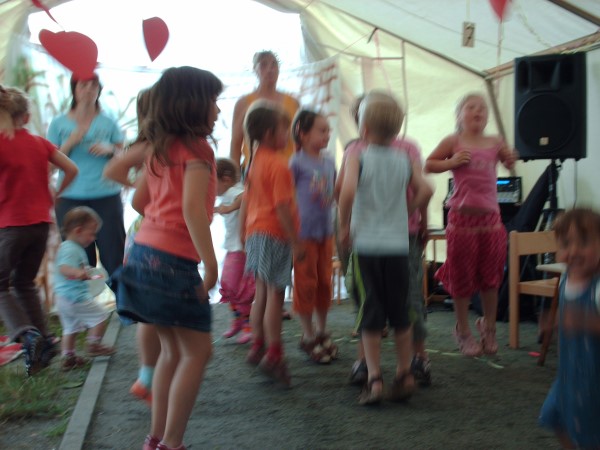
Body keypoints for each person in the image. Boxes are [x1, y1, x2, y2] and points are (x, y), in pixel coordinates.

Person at [117, 66, 222, 450]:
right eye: (213, 101)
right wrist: (211, 266)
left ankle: (156, 438)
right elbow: (193, 210)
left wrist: (162, 210)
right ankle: (172, 443)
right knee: (197, 351)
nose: (217, 110)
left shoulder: (159, 147)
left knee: (171, 352)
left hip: (142, 255)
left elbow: (138, 201)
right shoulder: (199, 150)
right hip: (173, 263)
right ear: (192, 104)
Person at [338, 91, 432, 405]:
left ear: (363, 129)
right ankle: (404, 374)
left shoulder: (357, 156)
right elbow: (426, 189)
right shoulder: (405, 159)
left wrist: (344, 225)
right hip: (397, 248)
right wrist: (407, 211)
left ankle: (375, 379)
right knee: (401, 312)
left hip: (367, 247)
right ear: (396, 131)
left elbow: (347, 192)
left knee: (371, 313)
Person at [424, 92, 517, 357]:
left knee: (491, 277)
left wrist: (510, 158)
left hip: (490, 220)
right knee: (462, 277)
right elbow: (428, 164)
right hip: (461, 220)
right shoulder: (453, 141)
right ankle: (463, 330)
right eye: (471, 107)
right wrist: (451, 162)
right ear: (459, 115)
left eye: (482, 108)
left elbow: (509, 163)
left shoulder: (495, 141)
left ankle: (489, 326)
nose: (478, 111)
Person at [0, 85, 78, 376]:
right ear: (26, 116)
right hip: (40, 225)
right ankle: (45, 341)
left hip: (10, 227)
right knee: (24, 282)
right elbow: (72, 169)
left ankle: (27, 334)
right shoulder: (39, 143)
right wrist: (56, 193)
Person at [231, 50, 300, 321]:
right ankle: (266, 304)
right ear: (255, 69)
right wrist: (234, 185)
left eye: (274, 65)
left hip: (288, 174)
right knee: (267, 232)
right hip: (257, 172)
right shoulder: (244, 103)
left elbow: (299, 141)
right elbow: (235, 144)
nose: (270, 69)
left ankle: (271, 304)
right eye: (264, 65)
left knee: (277, 230)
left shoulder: (292, 102)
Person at [240, 100, 304, 386]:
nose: (287, 136)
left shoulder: (255, 160)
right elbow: (282, 207)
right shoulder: (278, 165)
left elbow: (248, 199)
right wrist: (296, 240)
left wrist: (243, 231)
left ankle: (258, 344)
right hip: (275, 234)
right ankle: (274, 353)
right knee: (276, 298)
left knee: (261, 294)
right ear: (268, 134)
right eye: (283, 130)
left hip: (256, 232)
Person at [103, 87, 160, 406]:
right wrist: (138, 186)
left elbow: (113, 170)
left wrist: (135, 185)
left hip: (143, 230)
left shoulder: (145, 144)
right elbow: (112, 170)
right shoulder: (152, 146)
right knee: (155, 312)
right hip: (153, 230)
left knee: (148, 312)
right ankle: (151, 376)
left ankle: (149, 374)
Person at [47, 73, 125, 293]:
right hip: (70, 198)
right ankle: (83, 307)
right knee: (77, 258)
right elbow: (49, 166)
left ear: (99, 89)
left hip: (106, 196)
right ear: (74, 89)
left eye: (94, 85)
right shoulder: (58, 124)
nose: (89, 89)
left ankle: (123, 306)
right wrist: (70, 142)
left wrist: (111, 150)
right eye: (83, 85)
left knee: (113, 255)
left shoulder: (109, 122)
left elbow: (125, 158)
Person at [539, 208, 600, 449]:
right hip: (568, 375)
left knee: (589, 430)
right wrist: (555, 323)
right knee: (556, 417)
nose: (573, 251)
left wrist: (584, 321)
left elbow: (580, 319)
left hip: (593, 380)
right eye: (565, 244)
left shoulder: (597, 288)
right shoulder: (566, 279)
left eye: (583, 243)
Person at [289, 109, 338, 364]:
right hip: (304, 235)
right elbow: (287, 198)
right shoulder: (296, 163)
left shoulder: (329, 162)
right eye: (322, 130)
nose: (327, 134)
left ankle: (321, 330)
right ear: (303, 133)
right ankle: (307, 335)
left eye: (328, 130)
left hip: (325, 233)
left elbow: (335, 194)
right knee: (306, 283)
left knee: (324, 282)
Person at [53, 207, 117, 370]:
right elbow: (64, 268)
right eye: (92, 234)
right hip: (75, 296)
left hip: (63, 298)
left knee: (70, 328)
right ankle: (93, 345)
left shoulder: (68, 247)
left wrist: (85, 272)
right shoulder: (70, 248)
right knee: (100, 316)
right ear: (78, 231)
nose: (94, 238)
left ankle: (68, 357)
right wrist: (77, 273)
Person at [215, 157, 255, 345]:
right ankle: (238, 321)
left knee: (237, 286)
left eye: (212, 183)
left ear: (226, 179)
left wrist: (229, 207)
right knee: (228, 285)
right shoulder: (226, 193)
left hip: (240, 248)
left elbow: (245, 195)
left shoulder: (233, 191)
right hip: (233, 247)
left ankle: (247, 326)